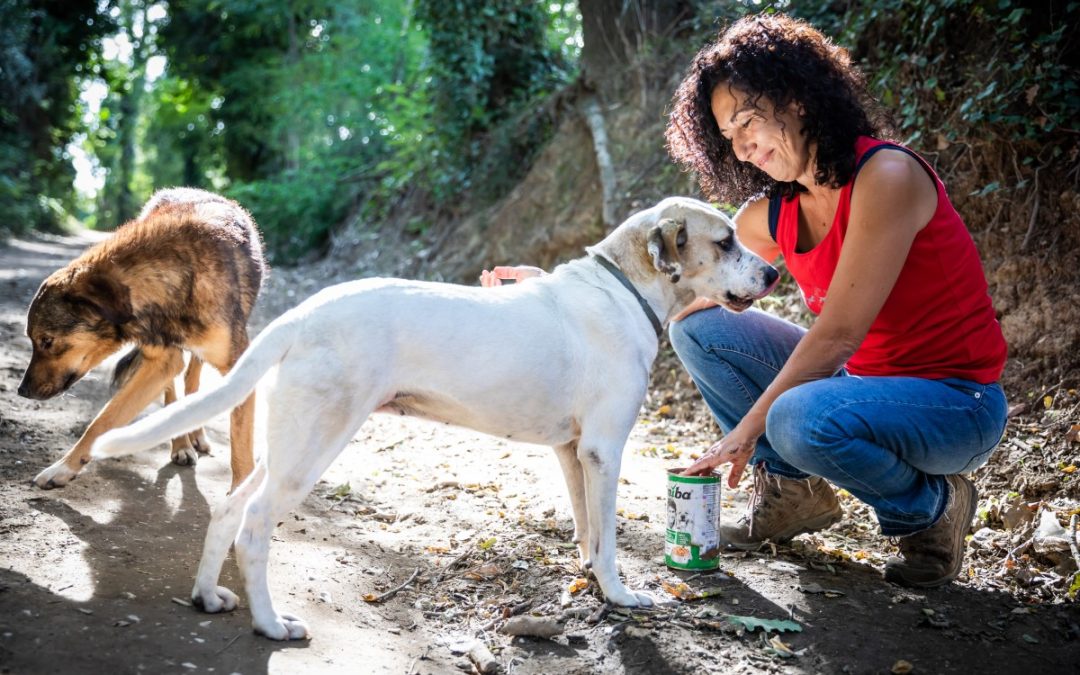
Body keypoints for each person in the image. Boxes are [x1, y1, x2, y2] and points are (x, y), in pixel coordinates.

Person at [662, 13, 1007, 588]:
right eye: (728, 137)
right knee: (697, 329)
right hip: (865, 384)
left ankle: (931, 507)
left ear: (797, 99)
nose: (743, 147)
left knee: (797, 416)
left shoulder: (887, 176)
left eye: (748, 122)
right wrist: (563, 285)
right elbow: (681, 276)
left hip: (958, 404)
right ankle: (792, 493)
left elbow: (838, 335)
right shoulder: (771, 213)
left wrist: (746, 431)